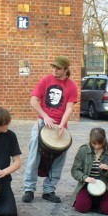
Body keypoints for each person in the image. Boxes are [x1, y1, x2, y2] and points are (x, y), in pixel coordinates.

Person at [22, 56, 78, 203]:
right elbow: (33, 100)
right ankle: (29, 189)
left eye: (58, 68)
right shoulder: (46, 80)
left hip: (60, 127)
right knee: (34, 155)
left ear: (66, 69)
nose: (55, 71)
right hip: (43, 124)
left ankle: (49, 190)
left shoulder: (71, 86)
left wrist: (62, 125)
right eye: (53, 67)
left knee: (58, 159)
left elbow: (69, 107)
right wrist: (45, 116)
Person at [70, 128, 108, 215]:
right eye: (94, 144)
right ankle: (92, 201)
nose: (97, 147)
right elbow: (75, 170)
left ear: (104, 140)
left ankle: (96, 202)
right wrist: (85, 178)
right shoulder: (83, 150)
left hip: (104, 185)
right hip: (86, 185)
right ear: (90, 140)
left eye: (100, 144)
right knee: (81, 207)